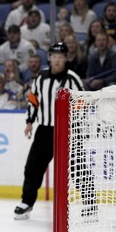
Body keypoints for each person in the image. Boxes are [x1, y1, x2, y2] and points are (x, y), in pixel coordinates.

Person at [14, 42, 84, 219]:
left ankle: (89, 205)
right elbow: (33, 100)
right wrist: (30, 122)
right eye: (54, 56)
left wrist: (79, 126)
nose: (57, 60)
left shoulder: (73, 79)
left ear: (66, 58)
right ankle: (27, 202)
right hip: (45, 130)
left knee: (79, 169)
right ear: (49, 58)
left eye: (61, 56)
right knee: (32, 167)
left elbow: (82, 103)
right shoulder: (41, 78)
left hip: (69, 131)